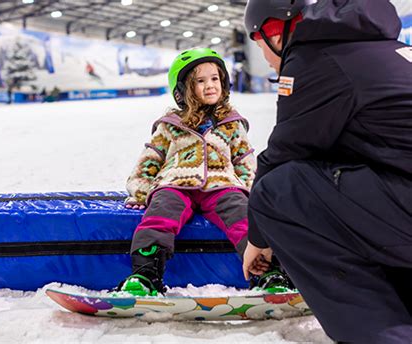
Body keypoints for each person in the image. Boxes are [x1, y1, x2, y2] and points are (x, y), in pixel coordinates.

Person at [242, 0, 412, 343]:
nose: (265, 57)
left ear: (278, 30)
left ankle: (385, 333)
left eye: (261, 44)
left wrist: (257, 238)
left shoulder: (315, 59)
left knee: (276, 192)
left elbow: (283, 154)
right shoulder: (392, 50)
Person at [117, 47, 276, 297]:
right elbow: (149, 160)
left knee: (244, 219)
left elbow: (246, 162)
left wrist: (251, 192)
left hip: (222, 186)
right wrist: (141, 192)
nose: (210, 85)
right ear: (182, 92)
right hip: (176, 184)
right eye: (200, 81)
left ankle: (267, 274)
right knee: (160, 215)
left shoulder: (232, 124)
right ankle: (145, 275)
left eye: (215, 79)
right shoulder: (171, 126)